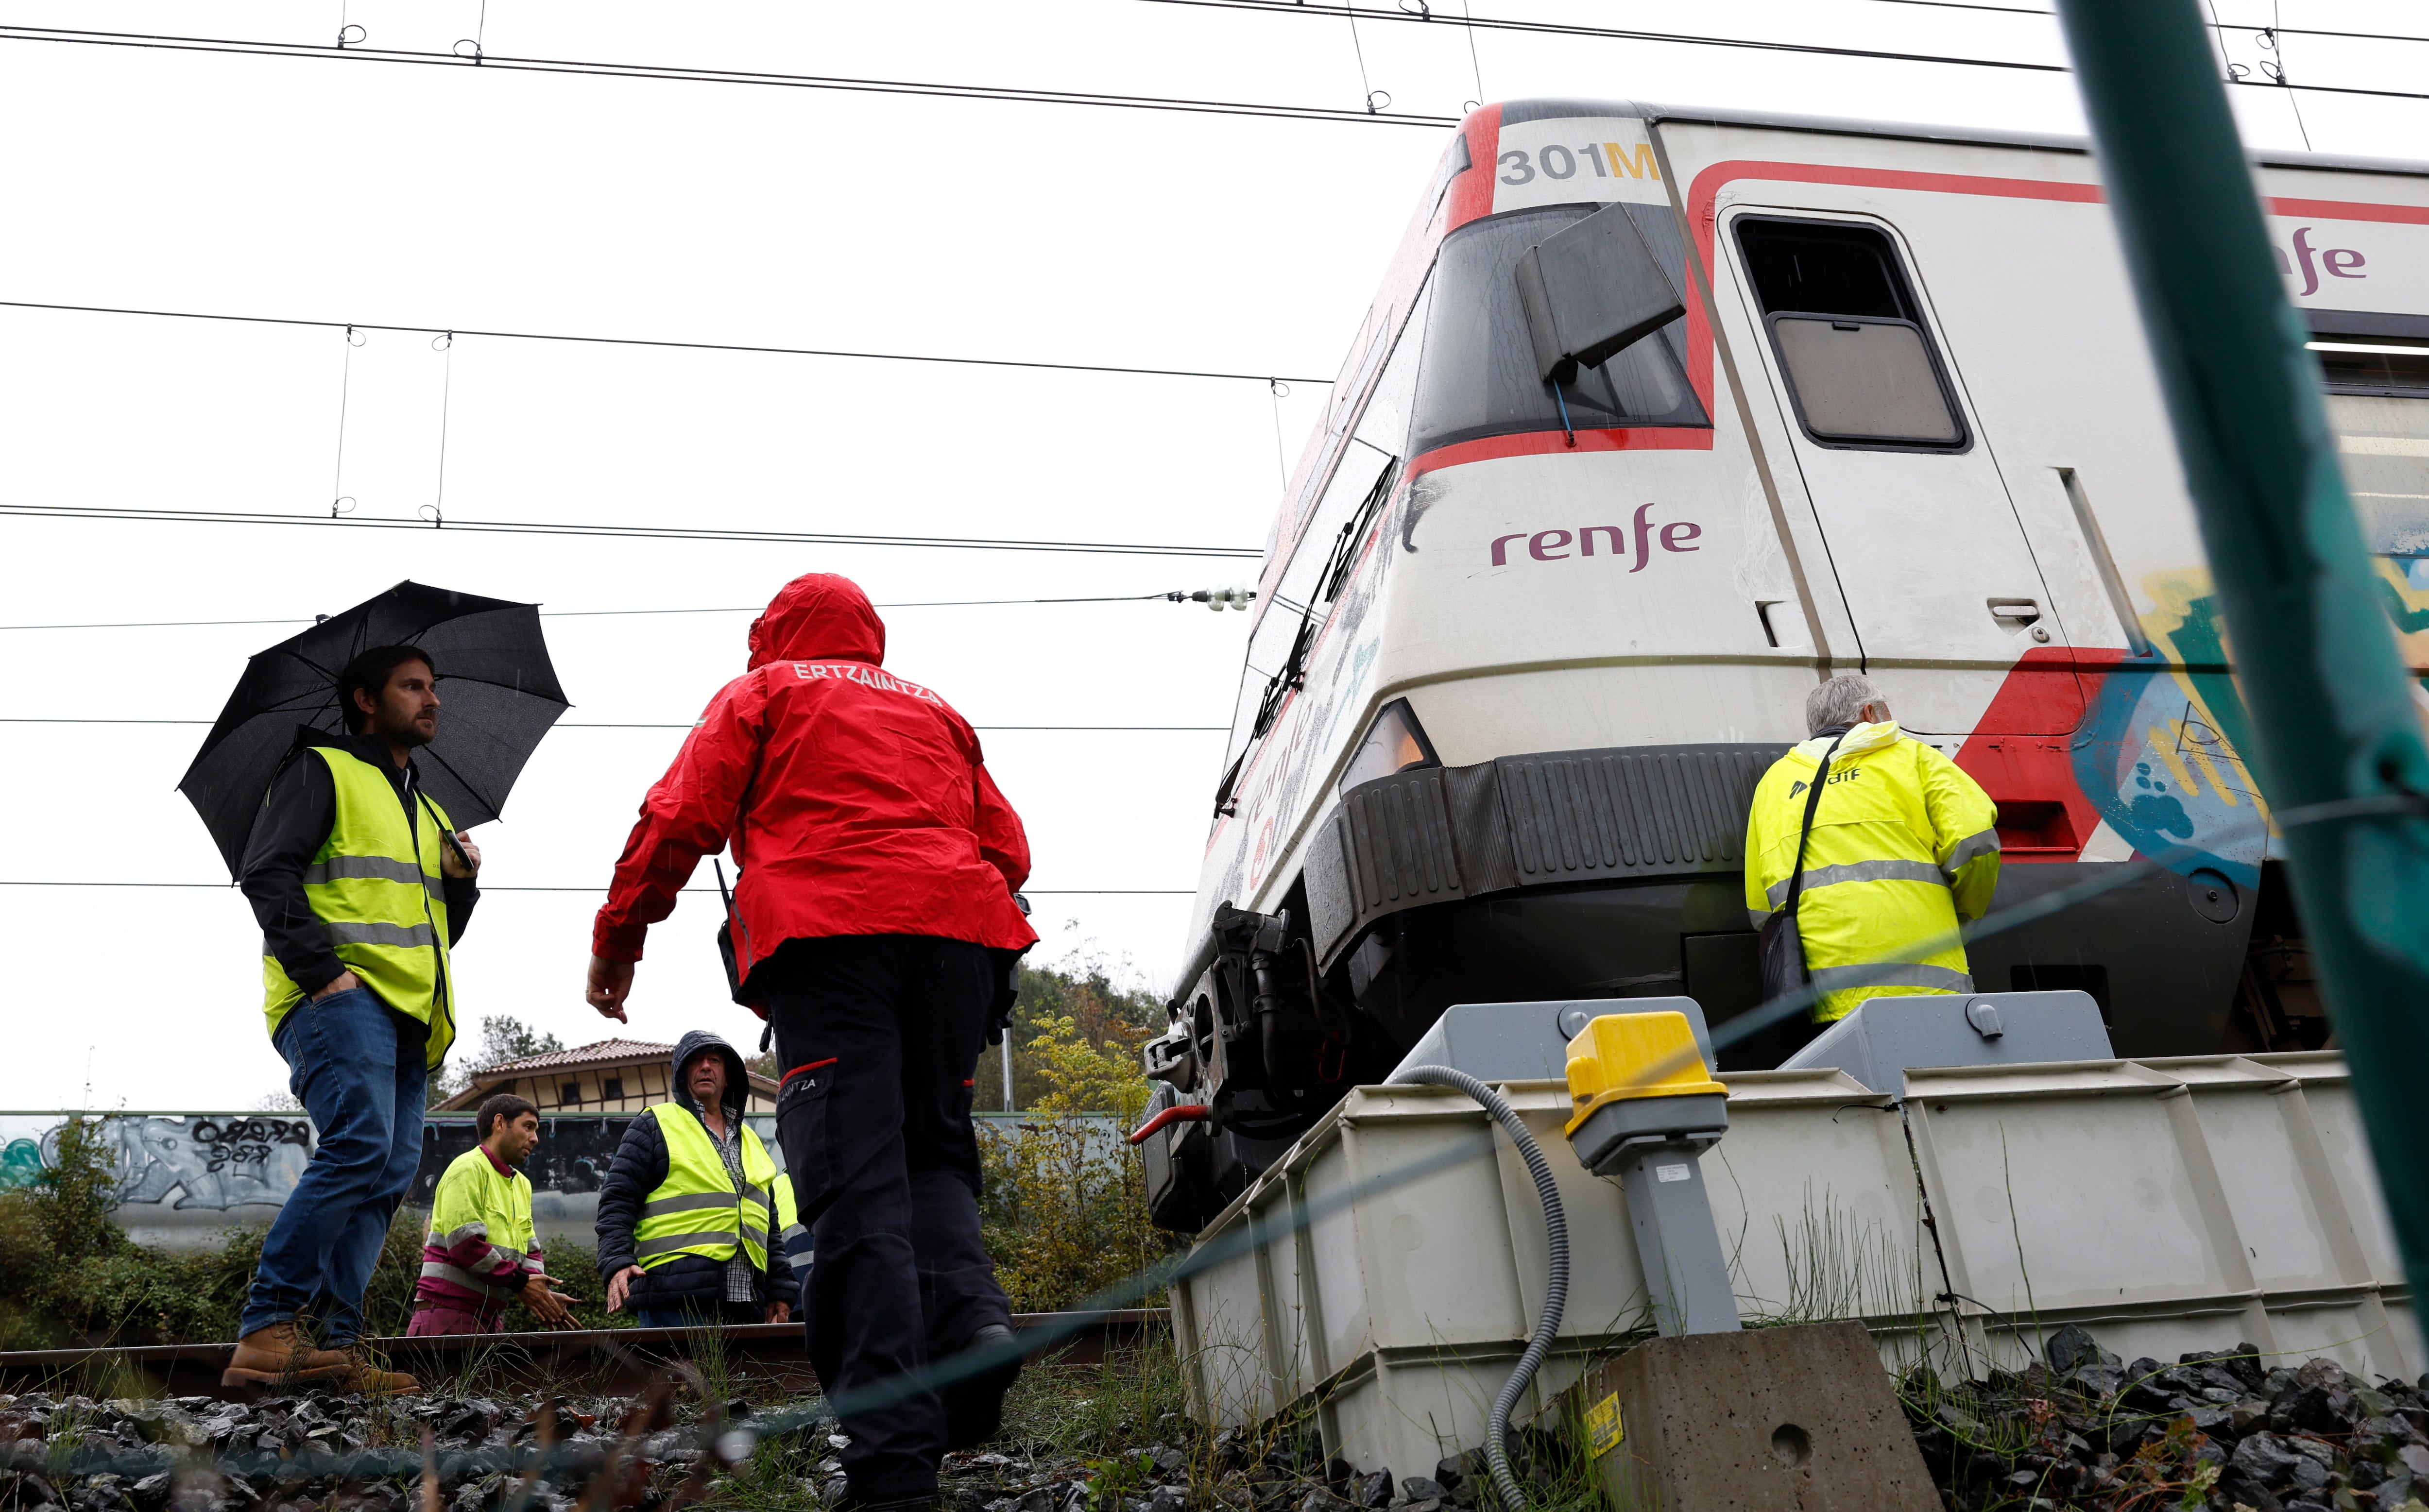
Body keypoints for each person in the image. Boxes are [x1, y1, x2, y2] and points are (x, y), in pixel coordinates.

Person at [583, 572, 1037, 1510]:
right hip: (962, 942)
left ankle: (891, 1468)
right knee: (935, 1158)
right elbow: (1010, 849)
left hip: (834, 944)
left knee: (857, 1191)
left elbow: (678, 816)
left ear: (771, 636)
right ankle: (977, 1324)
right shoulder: (935, 709)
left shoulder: (767, 692)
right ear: (868, 635)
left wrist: (617, 942)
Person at [230, 645, 483, 1392]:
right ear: (367, 699)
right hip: (341, 999)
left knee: (391, 1168)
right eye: (414, 687)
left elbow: (435, 929)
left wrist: (463, 887)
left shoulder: (434, 812)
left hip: (412, 1014)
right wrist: (324, 974)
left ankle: (336, 1345)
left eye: (434, 687)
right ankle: (269, 1326)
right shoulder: (322, 769)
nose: (432, 700)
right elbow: (267, 874)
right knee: (360, 1144)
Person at [1745, 673, 2001, 1041]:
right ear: (1871, 713)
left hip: (1820, 999)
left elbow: (1760, 905)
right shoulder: (1913, 758)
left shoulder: (1772, 784)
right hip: (1925, 984)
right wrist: (1963, 914)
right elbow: (1975, 844)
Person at [595, 1032, 800, 1329]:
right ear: (682, 1074)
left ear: (727, 1077)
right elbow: (617, 1201)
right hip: (674, 1300)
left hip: (746, 1302)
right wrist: (617, 1260)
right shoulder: (654, 1124)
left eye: (715, 1061)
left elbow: (769, 1227)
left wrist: (780, 1288)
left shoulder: (753, 1142)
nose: (706, 1067)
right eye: (696, 1061)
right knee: (674, 1379)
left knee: (742, 1379)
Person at [408, 1094, 577, 1335]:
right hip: (447, 1313)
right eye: (528, 1127)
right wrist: (522, 1284)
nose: (535, 1139)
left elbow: (531, 1251)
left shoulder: (522, 1185)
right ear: (499, 1124)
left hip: (491, 1319)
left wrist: (541, 1293)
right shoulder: (467, 1168)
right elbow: (465, 1246)